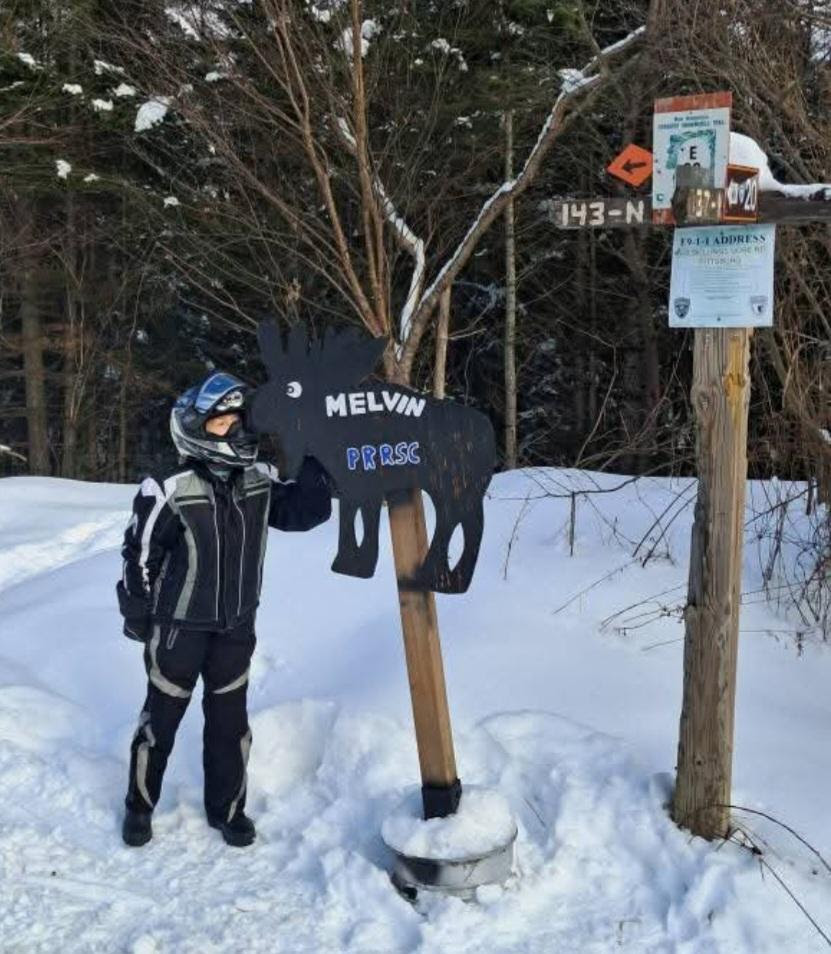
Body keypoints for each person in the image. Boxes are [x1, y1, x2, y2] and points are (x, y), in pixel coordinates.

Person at [116, 371, 331, 848]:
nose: (234, 431)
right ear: (194, 427)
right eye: (221, 424)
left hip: (236, 626)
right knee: (161, 721)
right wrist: (138, 614)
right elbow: (140, 553)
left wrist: (317, 456)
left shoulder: (258, 478)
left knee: (230, 725)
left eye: (238, 422)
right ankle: (138, 805)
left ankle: (227, 810)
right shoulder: (168, 487)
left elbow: (303, 511)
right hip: (178, 629)